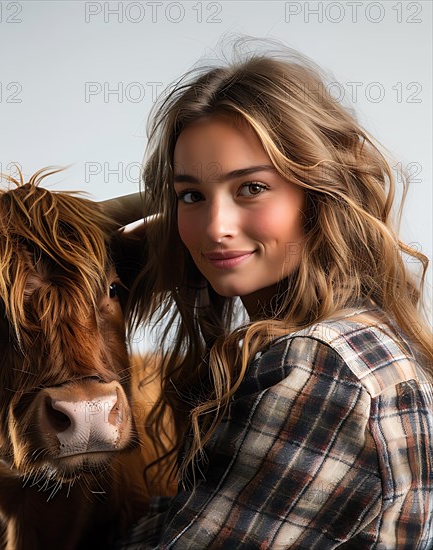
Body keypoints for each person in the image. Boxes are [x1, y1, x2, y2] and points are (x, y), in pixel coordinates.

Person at [119, 40, 433, 548]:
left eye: (252, 188)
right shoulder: (363, 342)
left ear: (320, 191)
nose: (215, 227)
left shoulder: (320, 364)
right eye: (191, 196)